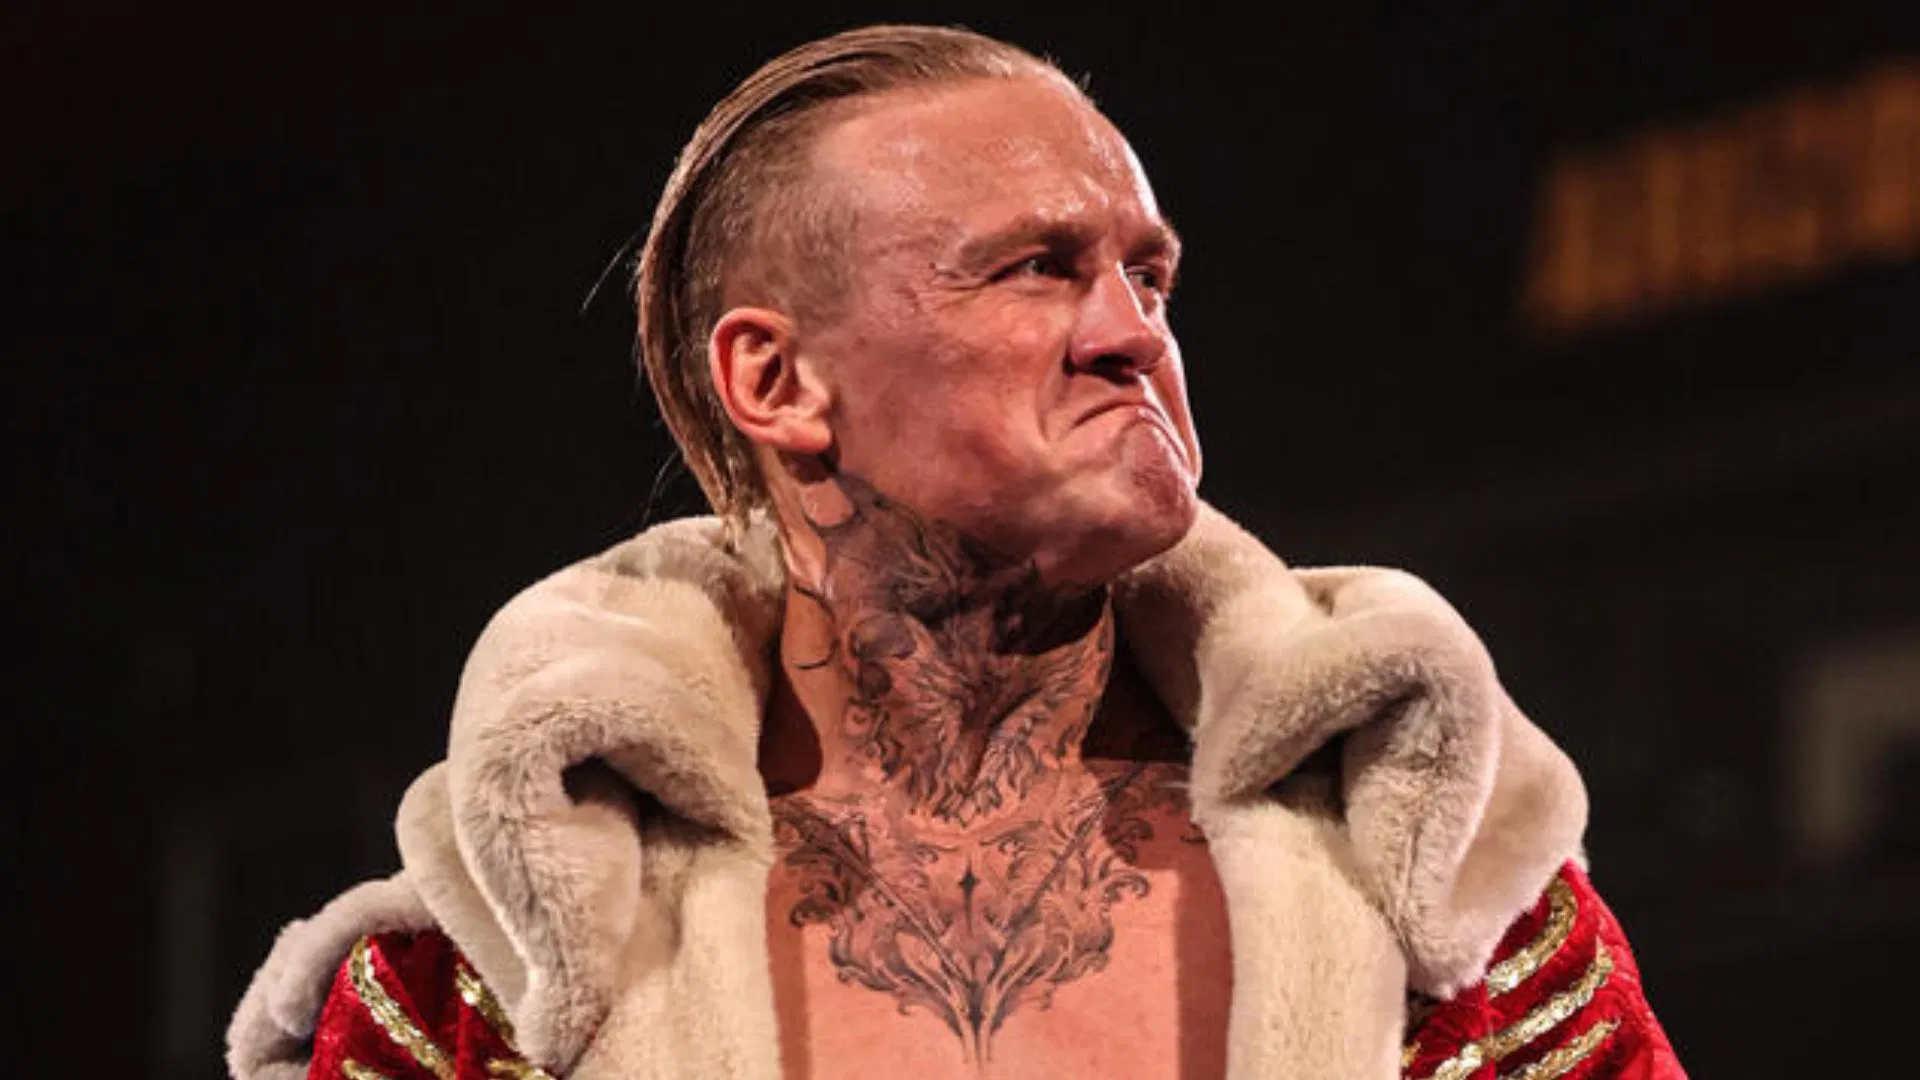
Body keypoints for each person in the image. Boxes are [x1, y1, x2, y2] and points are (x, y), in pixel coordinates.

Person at [227, 23, 1685, 1080]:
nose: (1131, 334)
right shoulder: (493, 966)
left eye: (1149, 276)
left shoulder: (1449, 896)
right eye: (1037, 268)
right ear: (778, 383)